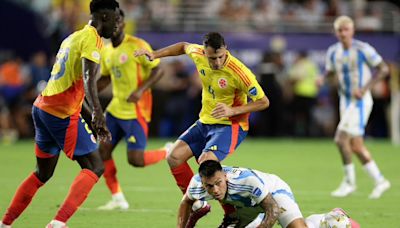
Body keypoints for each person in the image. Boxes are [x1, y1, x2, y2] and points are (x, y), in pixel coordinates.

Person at [0, 0, 119, 227]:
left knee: (42, 174)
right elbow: (88, 79)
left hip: (42, 107)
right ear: (104, 16)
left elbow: (74, 88)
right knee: (95, 166)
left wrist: (90, 119)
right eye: (115, 17)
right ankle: (58, 223)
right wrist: (98, 114)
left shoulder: (72, 37)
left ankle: (5, 223)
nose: (117, 23)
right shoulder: (92, 38)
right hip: (59, 113)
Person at [135, 32, 269, 224]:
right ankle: (198, 204)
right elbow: (182, 46)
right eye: (212, 58)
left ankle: (232, 215)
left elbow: (263, 102)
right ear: (204, 52)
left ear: (225, 50)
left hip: (231, 125)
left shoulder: (239, 71)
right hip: (205, 122)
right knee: (173, 157)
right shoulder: (197, 53)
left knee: (207, 162)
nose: (216, 62)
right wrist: (156, 54)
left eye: (220, 56)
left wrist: (232, 110)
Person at [95, 9, 167, 210]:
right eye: (111, 20)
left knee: (135, 160)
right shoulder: (107, 51)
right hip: (115, 109)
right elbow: (106, 78)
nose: (116, 24)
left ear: (124, 23)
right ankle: (118, 198)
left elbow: (158, 69)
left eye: (119, 20)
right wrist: (88, 90)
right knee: (102, 151)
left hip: (136, 110)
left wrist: (141, 89)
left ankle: (167, 152)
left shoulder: (137, 45)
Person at [179, 160, 359, 228]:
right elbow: (185, 203)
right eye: (210, 186)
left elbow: (272, 208)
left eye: (218, 183)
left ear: (224, 176)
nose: (215, 190)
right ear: (203, 183)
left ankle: (330, 217)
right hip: (249, 204)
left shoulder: (248, 181)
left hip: (273, 192)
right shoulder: (197, 185)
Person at [324, 15, 390, 199]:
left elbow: (383, 68)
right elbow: (330, 71)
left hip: (360, 101)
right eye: (340, 30)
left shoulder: (363, 49)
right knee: (357, 146)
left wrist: (365, 88)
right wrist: (323, 78)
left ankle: (349, 183)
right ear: (336, 32)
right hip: (345, 100)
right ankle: (380, 180)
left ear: (352, 30)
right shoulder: (333, 51)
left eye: (346, 29)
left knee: (340, 138)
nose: (343, 33)